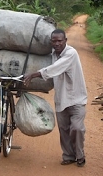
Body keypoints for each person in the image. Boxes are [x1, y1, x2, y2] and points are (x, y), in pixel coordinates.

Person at [23, 29, 88, 167]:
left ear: (65, 40)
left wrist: (33, 75)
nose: (57, 43)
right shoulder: (52, 54)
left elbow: (55, 68)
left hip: (76, 98)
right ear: (51, 42)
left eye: (60, 40)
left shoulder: (71, 53)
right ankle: (69, 156)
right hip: (61, 98)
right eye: (54, 41)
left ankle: (80, 155)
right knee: (63, 129)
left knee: (77, 128)